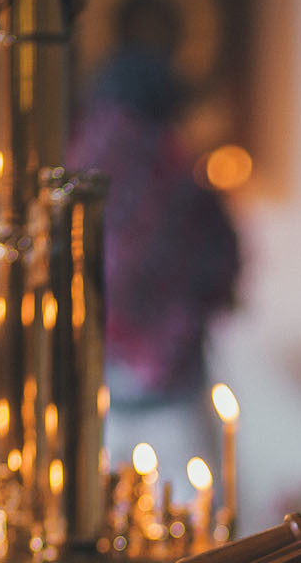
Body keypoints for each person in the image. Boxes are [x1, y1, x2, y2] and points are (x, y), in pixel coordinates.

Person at [70, 46, 242, 470]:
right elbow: (223, 266)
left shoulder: (75, 170)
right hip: (172, 393)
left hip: (91, 394)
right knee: (201, 522)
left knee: (99, 524)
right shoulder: (177, 175)